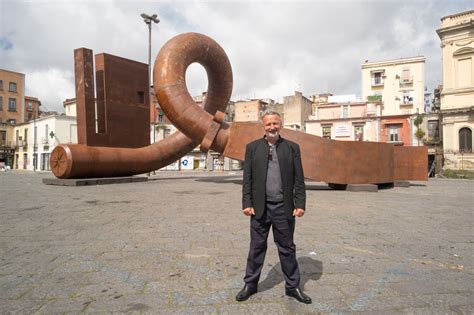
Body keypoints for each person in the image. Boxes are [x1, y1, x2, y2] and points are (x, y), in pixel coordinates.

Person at [235, 110, 312, 304]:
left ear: (281, 125)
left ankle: (293, 287)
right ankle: (250, 285)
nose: (272, 127)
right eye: (268, 124)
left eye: (275, 124)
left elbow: (299, 179)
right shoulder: (252, 148)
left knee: (287, 248)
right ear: (263, 126)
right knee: (256, 248)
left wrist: (300, 203)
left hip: (284, 208)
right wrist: (247, 203)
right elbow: (248, 179)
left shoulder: (292, 148)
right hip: (259, 208)